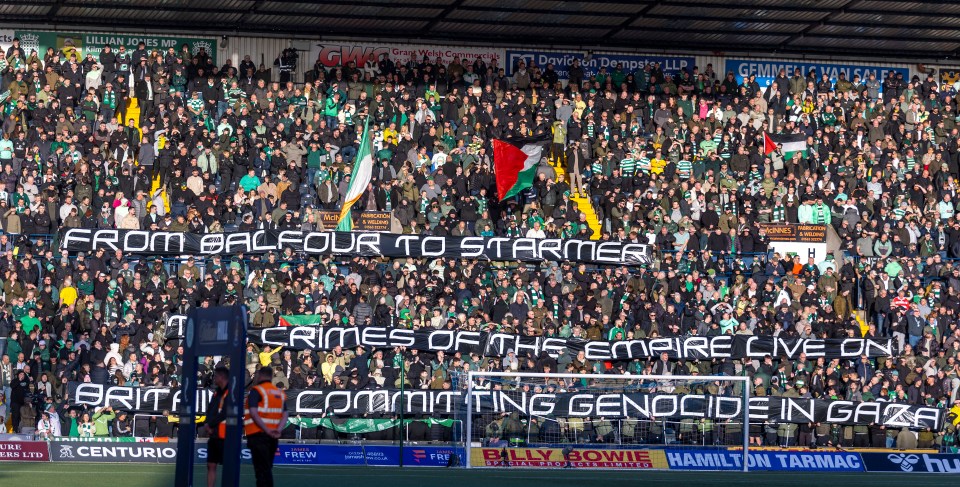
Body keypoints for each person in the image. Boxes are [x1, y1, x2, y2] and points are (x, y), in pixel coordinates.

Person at [244, 367, 287, 487]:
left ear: (261, 375)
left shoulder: (257, 390)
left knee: (261, 471)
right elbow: (285, 414)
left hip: (258, 435)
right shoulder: (278, 392)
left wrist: (266, 430)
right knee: (267, 468)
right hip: (273, 436)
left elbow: (253, 412)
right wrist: (278, 430)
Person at [205, 366, 231, 487]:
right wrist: (207, 423)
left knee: (228, 466)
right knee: (211, 464)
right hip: (214, 434)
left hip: (225, 435)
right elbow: (210, 409)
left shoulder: (230, 392)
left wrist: (210, 424)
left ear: (221, 377)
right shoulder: (216, 392)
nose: (214, 378)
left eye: (215, 376)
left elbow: (225, 413)